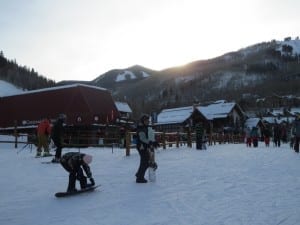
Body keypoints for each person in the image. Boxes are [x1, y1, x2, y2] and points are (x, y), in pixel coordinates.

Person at [135, 114, 151, 183]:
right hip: (141, 146)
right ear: (143, 121)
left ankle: (139, 174)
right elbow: (142, 138)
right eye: (146, 120)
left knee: (144, 161)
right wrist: (150, 142)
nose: (148, 122)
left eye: (148, 120)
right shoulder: (141, 127)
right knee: (145, 161)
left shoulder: (144, 127)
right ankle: (140, 178)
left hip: (143, 146)